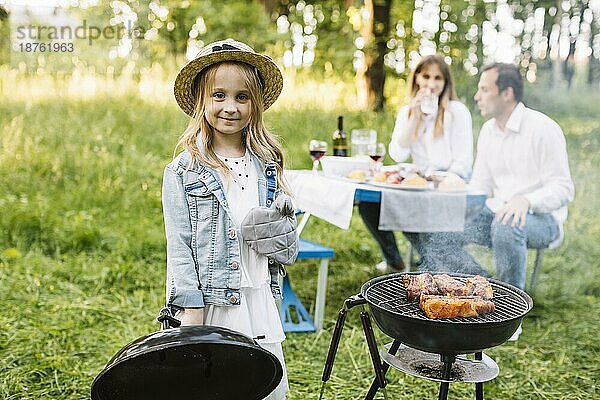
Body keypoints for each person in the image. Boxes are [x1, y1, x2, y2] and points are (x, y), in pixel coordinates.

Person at [162, 39, 292, 399]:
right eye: (218, 96)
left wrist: (283, 234)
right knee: (214, 385)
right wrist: (190, 311)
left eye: (241, 97)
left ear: (256, 105)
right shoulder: (182, 172)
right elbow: (180, 246)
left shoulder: (267, 165)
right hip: (211, 304)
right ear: (201, 102)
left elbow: (280, 243)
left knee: (265, 385)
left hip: (259, 297)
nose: (230, 107)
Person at [424, 62, 575, 294]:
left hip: (543, 220)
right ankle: (483, 290)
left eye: (484, 90)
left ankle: (511, 311)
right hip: (497, 213)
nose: (477, 96)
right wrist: (448, 188)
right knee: (439, 226)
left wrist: (526, 200)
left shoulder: (543, 129)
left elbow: (564, 189)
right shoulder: (488, 131)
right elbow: (480, 186)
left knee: (507, 223)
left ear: (507, 93)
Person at [358, 54, 473, 272]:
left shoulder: (457, 112)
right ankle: (395, 261)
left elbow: (463, 164)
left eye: (438, 78)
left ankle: (435, 262)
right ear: (417, 79)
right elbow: (398, 154)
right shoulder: (407, 112)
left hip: (446, 186)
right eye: (426, 76)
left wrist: (438, 180)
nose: (431, 84)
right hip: (418, 185)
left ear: (445, 82)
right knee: (369, 203)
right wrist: (416, 118)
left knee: (420, 212)